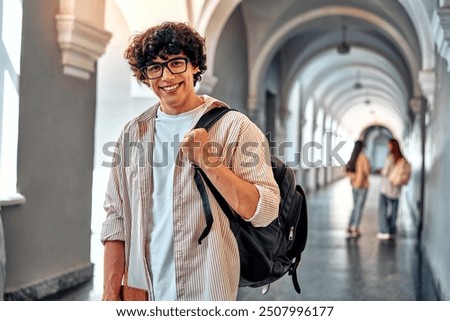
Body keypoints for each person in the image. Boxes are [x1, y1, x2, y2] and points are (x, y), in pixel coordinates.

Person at [100, 21, 280, 301]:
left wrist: (209, 161)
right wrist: (110, 293)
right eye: (155, 68)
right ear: (145, 76)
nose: (166, 76)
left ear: (194, 65)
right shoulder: (133, 133)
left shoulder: (235, 127)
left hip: (207, 290)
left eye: (176, 63)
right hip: (142, 291)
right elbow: (116, 217)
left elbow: (265, 209)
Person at [377, 138, 406, 240]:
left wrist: (380, 170)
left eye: (389, 145)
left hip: (386, 187)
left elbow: (385, 172)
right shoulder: (402, 158)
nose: (388, 146)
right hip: (396, 187)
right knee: (394, 208)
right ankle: (392, 229)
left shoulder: (390, 157)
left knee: (383, 208)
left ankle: (384, 230)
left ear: (392, 146)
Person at [345, 140, 371, 238]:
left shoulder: (352, 157)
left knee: (355, 206)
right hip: (362, 186)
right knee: (359, 207)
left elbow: (347, 171)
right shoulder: (363, 157)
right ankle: (355, 227)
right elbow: (367, 171)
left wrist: (354, 178)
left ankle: (350, 225)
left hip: (354, 185)